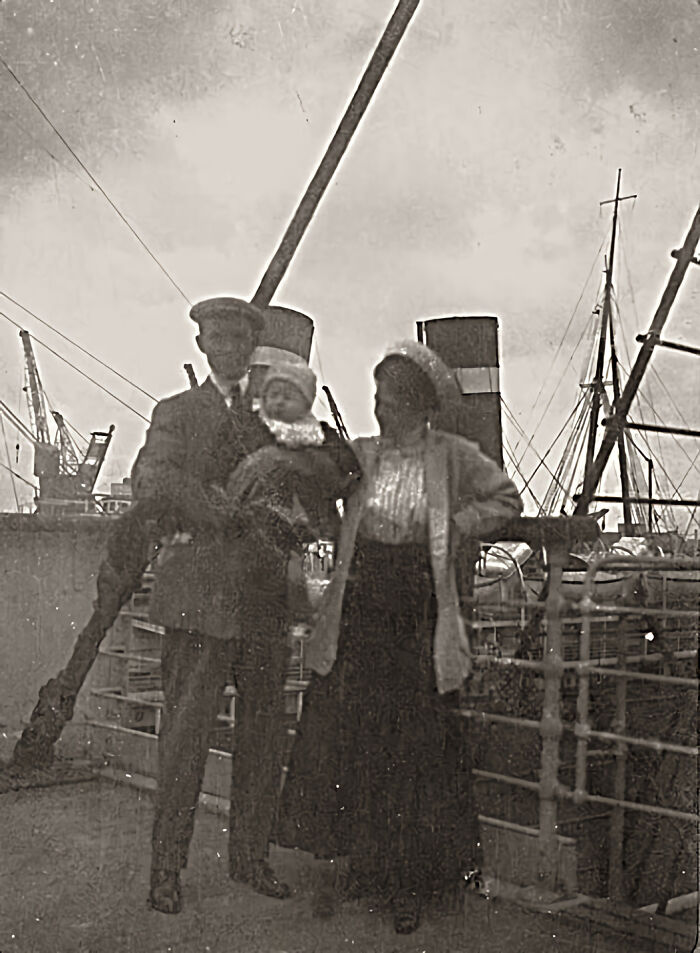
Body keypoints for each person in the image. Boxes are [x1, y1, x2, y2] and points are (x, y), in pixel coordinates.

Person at [277, 341, 523, 934]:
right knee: (359, 742)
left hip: (417, 610)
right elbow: (315, 489)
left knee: (415, 749)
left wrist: (460, 524)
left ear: (419, 405)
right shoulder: (361, 455)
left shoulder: (454, 456)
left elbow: (506, 499)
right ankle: (368, 866)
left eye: (391, 401)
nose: (381, 411)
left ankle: (411, 882)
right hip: (362, 606)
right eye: (377, 400)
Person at [131, 296, 295, 915]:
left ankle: (251, 859)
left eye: (236, 339)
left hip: (261, 601)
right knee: (184, 743)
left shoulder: (275, 417)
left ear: (250, 347)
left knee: (262, 740)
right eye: (215, 338)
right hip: (200, 598)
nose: (225, 348)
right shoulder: (177, 411)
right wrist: (215, 504)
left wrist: (285, 471)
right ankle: (166, 871)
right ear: (201, 346)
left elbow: (329, 468)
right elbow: (152, 478)